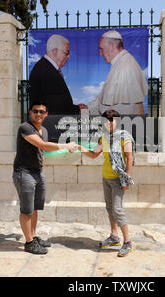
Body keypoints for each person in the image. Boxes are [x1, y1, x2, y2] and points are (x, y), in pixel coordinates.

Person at [13, 101, 78, 255]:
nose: (38, 114)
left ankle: (33, 236)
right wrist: (65, 146)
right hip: (24, 173)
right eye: (35, 111)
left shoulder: (44, 130)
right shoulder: (25, 127)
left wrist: (41, 171)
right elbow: (42, 146)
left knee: (35, 208)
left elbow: (41, 153)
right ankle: (29, 243)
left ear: (46, 114)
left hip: (38, 173)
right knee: (27, 210)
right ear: (30, 112)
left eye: (42, 112)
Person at [78, 109, 135, 257]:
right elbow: (94, 154)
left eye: (112, 120)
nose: (109, 123)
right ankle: (114, 236)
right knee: (110, 208)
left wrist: (126, 179)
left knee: (117, 209)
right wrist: (80, 148)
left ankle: (128, 242)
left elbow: (130, 158)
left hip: (118, 179)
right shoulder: (103, 138)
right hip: (106, 178)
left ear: (118, 121)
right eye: (106, 120)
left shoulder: (125, 137)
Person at [87, 30, 147, 116]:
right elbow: (104, 100)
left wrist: (85, 111)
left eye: (101, 49)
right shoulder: (121, 63)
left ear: (111, 46)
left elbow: (120, 111)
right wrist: (85, 109)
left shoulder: (125, 67)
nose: (100, 53)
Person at [29, 34, 87, 115]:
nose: (69, 56)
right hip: (50, 124)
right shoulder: (46, 70)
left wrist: (76, 108)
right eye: (67, 52)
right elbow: (53, 105)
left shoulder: (47, 67)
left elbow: (56, 101)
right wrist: (77, 110)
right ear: (55, 51)